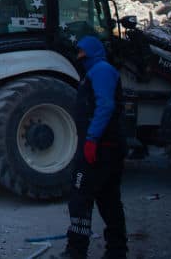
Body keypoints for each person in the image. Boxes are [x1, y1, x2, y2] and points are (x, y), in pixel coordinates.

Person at [55, 35, 127, 259]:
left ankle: (76, 251)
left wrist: (92, 139)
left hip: (101, 147)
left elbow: (105, 105)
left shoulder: (101, 71)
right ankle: (116, 251)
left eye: (82, 53)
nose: (79, 57)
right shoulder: (96, 71)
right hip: (108, 146)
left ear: (92, 52)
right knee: (108, 199)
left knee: (80, 197)